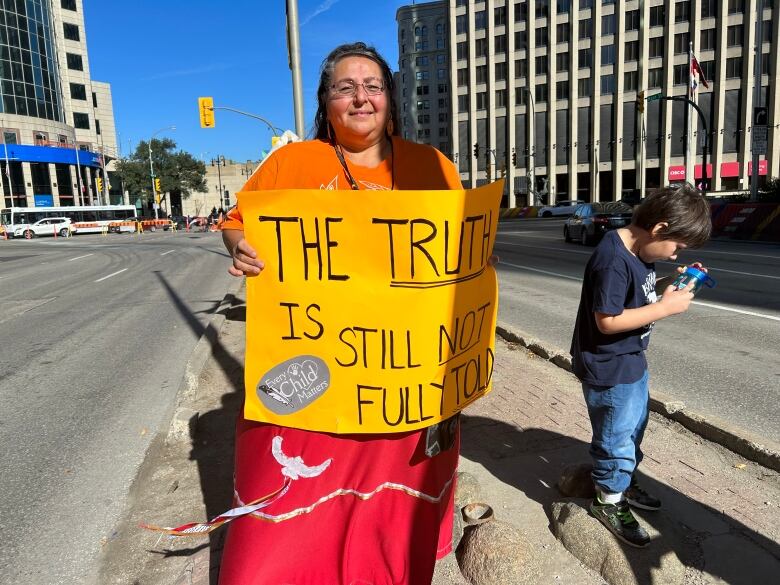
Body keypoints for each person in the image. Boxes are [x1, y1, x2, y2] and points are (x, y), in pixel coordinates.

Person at [219, 42, 464, 584]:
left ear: (390, 98)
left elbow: (459, 243)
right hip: (314, 370)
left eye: (372, 86)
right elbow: (239, 220)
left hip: (403, 373)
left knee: (389, 499)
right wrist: (241, 247)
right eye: (344, 87)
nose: (360, 97)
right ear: (325, 101)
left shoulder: (432, 165)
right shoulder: (291, 162)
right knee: (303, 492)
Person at [570, 184, 712, 548]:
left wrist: (671, 283)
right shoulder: (613, 259)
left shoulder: (639, 249)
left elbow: (640, 292)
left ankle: (624, 481)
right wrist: (665, 309)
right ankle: (608, 500)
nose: (673, 254)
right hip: (609, 365)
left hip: (630, 360)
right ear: (660, 228)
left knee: (633, 428)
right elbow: (608, 321)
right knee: (616, 437)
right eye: (676, 246)